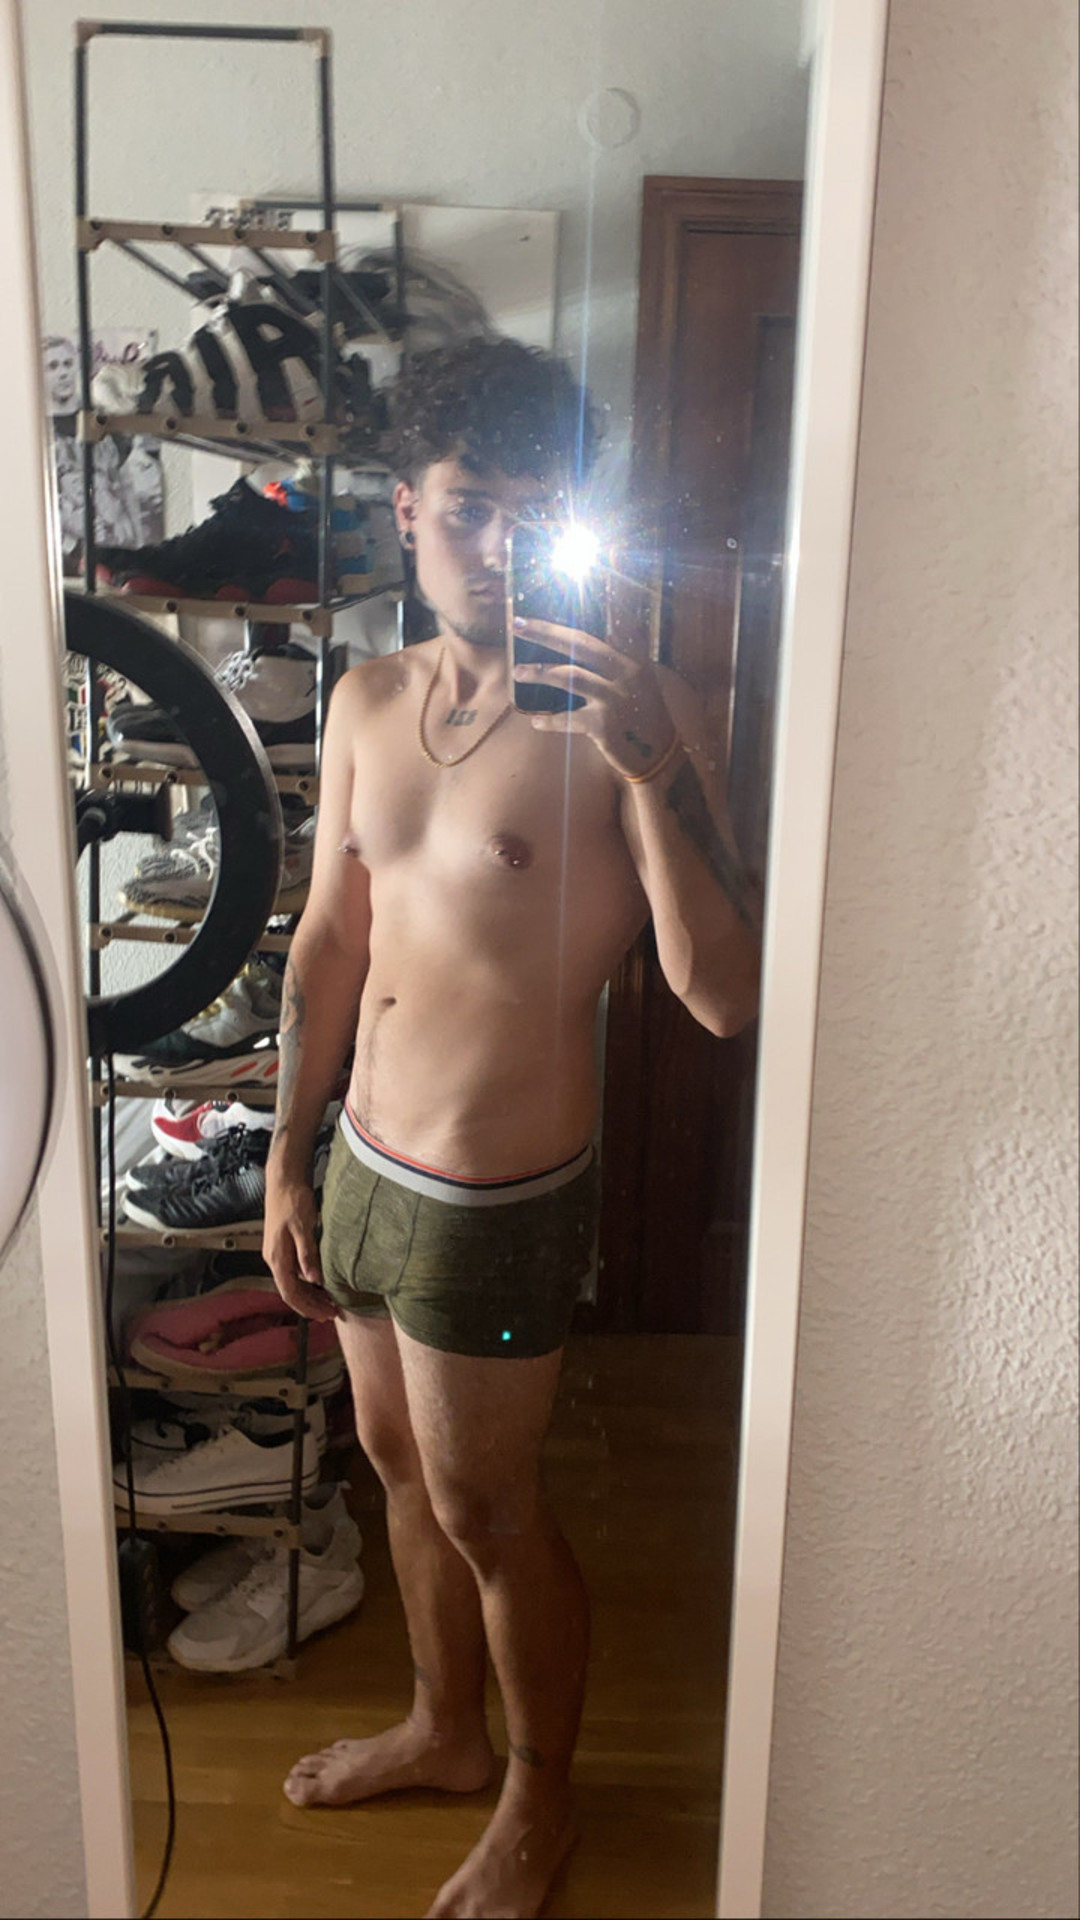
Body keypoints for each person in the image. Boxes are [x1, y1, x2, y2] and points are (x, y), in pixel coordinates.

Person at [264, 336, 760, 1920]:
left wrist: (652, 773)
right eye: (471, 507)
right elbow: (331, 942)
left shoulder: (639, 715)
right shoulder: (365, 699)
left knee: (490, 1507)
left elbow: (723, 996)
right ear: (409, 508)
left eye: (536, 514)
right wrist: (284, 1152)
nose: (496, 546)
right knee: (396, 1469)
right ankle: (444, 1730)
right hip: (363, 1158)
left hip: (497, 1199)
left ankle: (543, 1800)